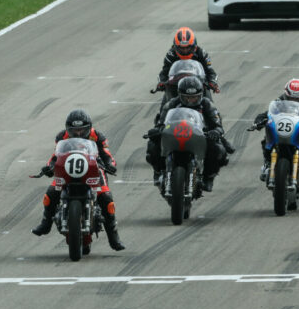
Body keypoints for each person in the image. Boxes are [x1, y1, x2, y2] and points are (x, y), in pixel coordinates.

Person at [31, 109, 125, 250]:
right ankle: (45, 223)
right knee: (51, 192)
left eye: (82, 130)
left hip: (93, 169)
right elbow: (55, 155)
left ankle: (113, 236)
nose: (79, 133)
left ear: (89, 127)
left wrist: (110, 165)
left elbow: (107, 154)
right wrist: (49, 167)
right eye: (75, 130)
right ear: (68, 128)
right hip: (67, 169)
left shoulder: (98, 136)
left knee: (106, 196)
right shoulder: (62, 136)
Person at [146, 75, 229, 192]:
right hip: (175, 134)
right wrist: (157, 130)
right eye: (187, 98)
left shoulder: (207, 105)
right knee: (152, 145)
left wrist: (215, 131)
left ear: (200, 95)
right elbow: (161, 123)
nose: (191, 100)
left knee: (219, 150)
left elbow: (218, 125)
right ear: (180, 95)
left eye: (194, 97)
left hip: (200, 136)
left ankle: (208, 177)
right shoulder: (171, 104)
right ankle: (158, 171)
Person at [157, 26, 220, 93]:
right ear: (176, 47)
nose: (185, 51)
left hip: (198, 85)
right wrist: (162, 83)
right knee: (167, 96)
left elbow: (211, 72)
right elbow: (164, 72)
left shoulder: (201, 53)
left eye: (188, 47)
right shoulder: (171, 54)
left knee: (208, 98)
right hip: (176, 86)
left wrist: (212, 82)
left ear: (194, 46)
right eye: (182, 48)